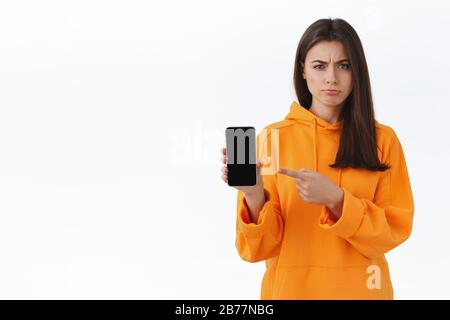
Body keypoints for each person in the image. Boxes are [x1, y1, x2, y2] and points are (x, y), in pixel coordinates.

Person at [220, 18, 414, 300]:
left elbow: (391, 233)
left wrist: (336, 200)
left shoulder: (383, 141)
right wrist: (253, 196)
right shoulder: (272, 138)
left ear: (356, 71)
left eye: (343, 65)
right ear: (303, 70)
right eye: (319, 66)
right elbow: (256, 250)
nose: (331, 78)